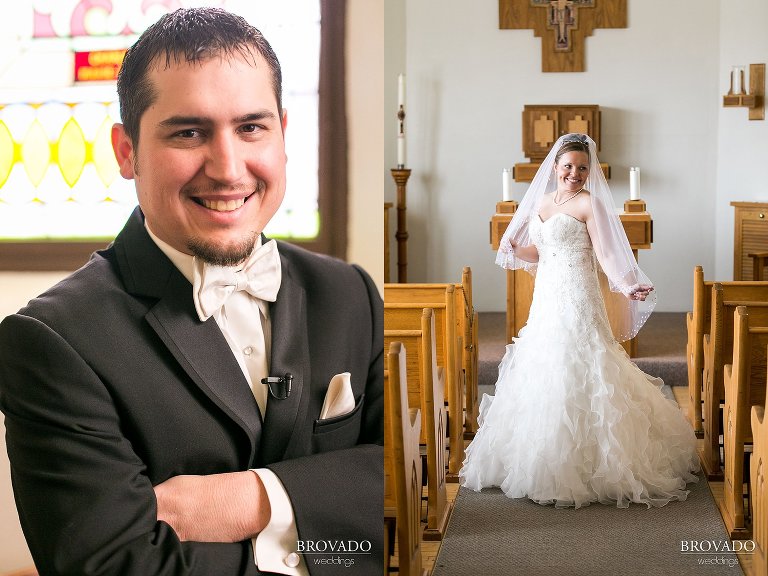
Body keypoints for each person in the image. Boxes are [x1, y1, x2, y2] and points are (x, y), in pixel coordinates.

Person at [0, 8, 382, 576]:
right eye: (188, 132)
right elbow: (115, 566)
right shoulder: (51, 341)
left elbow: (399, 489)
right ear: (126, 151)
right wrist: (335, 541)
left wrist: (256, 498)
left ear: (283, 133)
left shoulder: (349, 293)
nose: (228, 169)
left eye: (251, 127)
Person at [460, 133, 699, 508]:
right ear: (555, 167)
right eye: (568, 166)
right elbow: (539, 251)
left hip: (578, 295)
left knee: (586, 359)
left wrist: (626, 284)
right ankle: (544, 457)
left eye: (582, 168)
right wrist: (514, 248)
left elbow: (605, 252)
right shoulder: (541, 202)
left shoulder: (589, 204)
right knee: (546, 361)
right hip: (547, 297)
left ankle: (600, 461)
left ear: (590, 172)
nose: (575, 173)